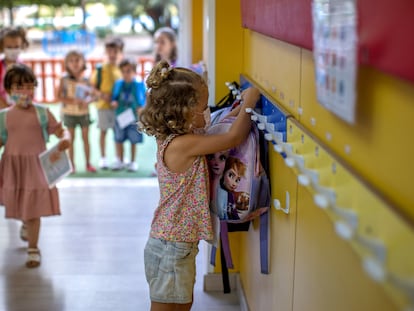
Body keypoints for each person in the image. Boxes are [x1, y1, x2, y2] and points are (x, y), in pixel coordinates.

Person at [139, 60, 260, 311]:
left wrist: (236, 110)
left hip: (175, 243)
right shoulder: (182, 145)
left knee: (182, 304)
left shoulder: (182, 138)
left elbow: (219, 125)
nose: (208, 111)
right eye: (204, 107)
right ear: (184, 111)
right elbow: (232, 137)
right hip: (171, 245)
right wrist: (251, 101)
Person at [0, 63, 71, 268]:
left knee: (33, 209)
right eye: (19, 88)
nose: (24, 92)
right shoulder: (4, 116)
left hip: (37, 167)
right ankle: (25, 222)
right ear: (9, 90)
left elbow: (61, 131)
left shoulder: (42, 113)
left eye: (29, 87)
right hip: (13, 168)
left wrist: (65, 140)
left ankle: (33, 248)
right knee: (21, 203)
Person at [56, 50, 96, 173]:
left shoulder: (87, 79)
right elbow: (58, 96)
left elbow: (93, 95)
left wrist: (87, 101)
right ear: (66, 63)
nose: (75, 63)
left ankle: (88, 163)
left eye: (77, 60)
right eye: (71, 61)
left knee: (85, 139)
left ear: (83, 62)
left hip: (84, 113)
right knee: (70, 140)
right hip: (69, 113)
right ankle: (71, 164)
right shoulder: (64, 79)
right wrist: (72, 101)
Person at [91, 36, 124, 169]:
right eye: (109, 51)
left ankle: (118, 157)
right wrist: (102, 95)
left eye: (115, 51)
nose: (112, 54)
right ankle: (103, 158)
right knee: (103, 131)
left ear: (120, 53)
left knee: (118, 133)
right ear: (106, 52)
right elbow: (93, 87)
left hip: (118, 107)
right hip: (103, 106)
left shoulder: (122, 69)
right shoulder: (100, 69)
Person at [110, 58, 146, 172]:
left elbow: (142, 100)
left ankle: (132, 161)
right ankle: (120, 160)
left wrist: (141, 108)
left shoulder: (138, 84)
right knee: (118, 139)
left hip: (133, 118)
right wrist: (113, 102)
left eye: (129, 71)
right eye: (124, 71)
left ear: (134, 71)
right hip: (120, 116)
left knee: (133, 140)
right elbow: (114, 97)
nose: (126, 74)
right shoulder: (118, 84)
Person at [0, 26, 30, 109]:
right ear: (2, 47)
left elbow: (29, 89)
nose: (13, 50)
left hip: (20, 109)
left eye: (16, 47)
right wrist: (6, 108)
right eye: (9, 47)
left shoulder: (24, 67)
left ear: (22, 45)